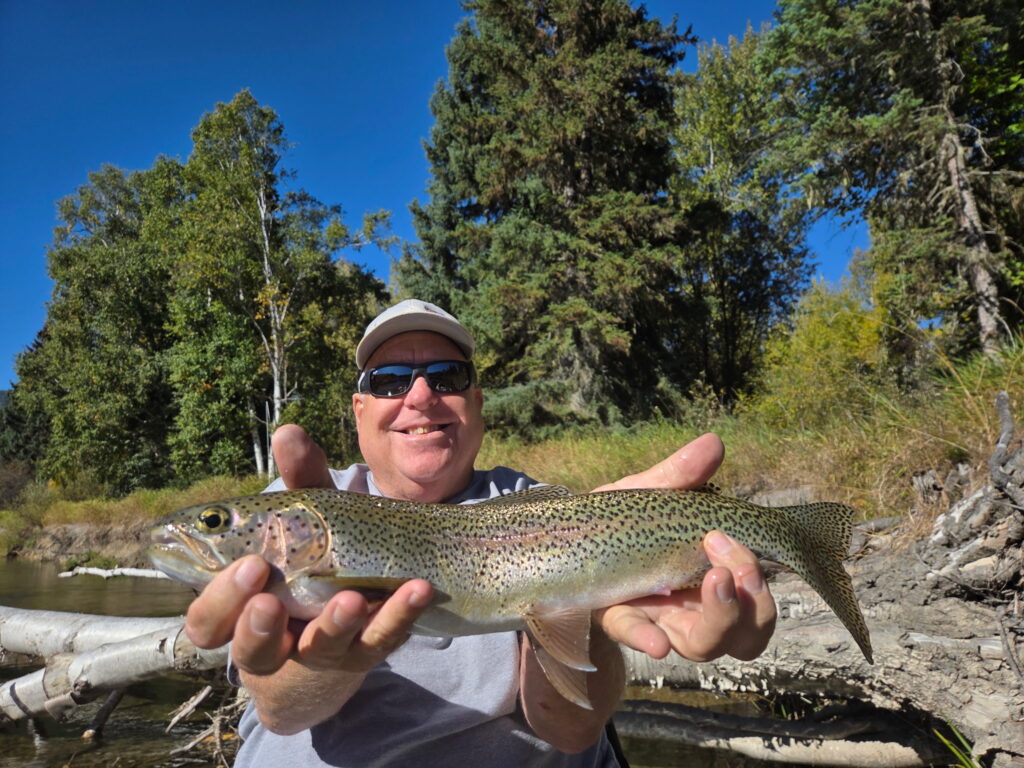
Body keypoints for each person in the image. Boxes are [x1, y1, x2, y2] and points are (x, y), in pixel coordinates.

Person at [185, 300, 777, 767]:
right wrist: (320, 666)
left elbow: (569, 730)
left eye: (446, 376)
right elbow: (282, 713)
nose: (420, 395)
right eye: (391, 380)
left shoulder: (540, 510)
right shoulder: (300, 504)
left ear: (477, 402)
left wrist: (589, 603)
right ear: (359, 409)